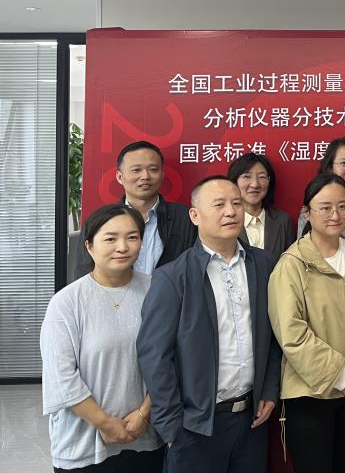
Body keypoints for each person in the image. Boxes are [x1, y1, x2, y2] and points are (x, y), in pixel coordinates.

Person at [137, 176, 281, 473]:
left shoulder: (264, 264)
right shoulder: (173, 277)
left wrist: (269, 390)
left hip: (252, 420)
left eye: (236, 203)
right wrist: (171, 427)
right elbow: (154, 356)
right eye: (219, 205)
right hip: (196, 427)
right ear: (195, 215)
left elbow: (273, 337)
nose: (230, 211)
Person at [268, 173, 345, 473]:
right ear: (307, 212)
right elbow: (291, 332)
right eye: (325, 207)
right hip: (309, 393)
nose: (335, 215)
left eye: (343, 206)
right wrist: (340, 372)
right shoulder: (292, 264)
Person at [42, 204, 163, 473]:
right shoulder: (67, 303)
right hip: (84, 443)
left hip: (144, 436)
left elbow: (170, 358)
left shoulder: (157, 290)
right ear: (89, 246)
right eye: (110, 238)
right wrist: (106, 424)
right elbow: (61, 376)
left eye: (132, 237)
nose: (122, 247)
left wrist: (144, 413)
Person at [74, 140, 195, 280]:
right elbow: (84, 273)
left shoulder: (185, 218)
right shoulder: (99, 221)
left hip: (171, 294)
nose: (145, 176)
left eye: (153, 169)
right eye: (136, 170)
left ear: (162, 175)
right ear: (120, 177)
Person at [228, 153, 295, 266]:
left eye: (262, 177)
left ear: (269, 181)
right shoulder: (227, 220)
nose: (255, 184)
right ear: (235, 181)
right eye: (247, 176)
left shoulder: (283, 221)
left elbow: (290, 265)